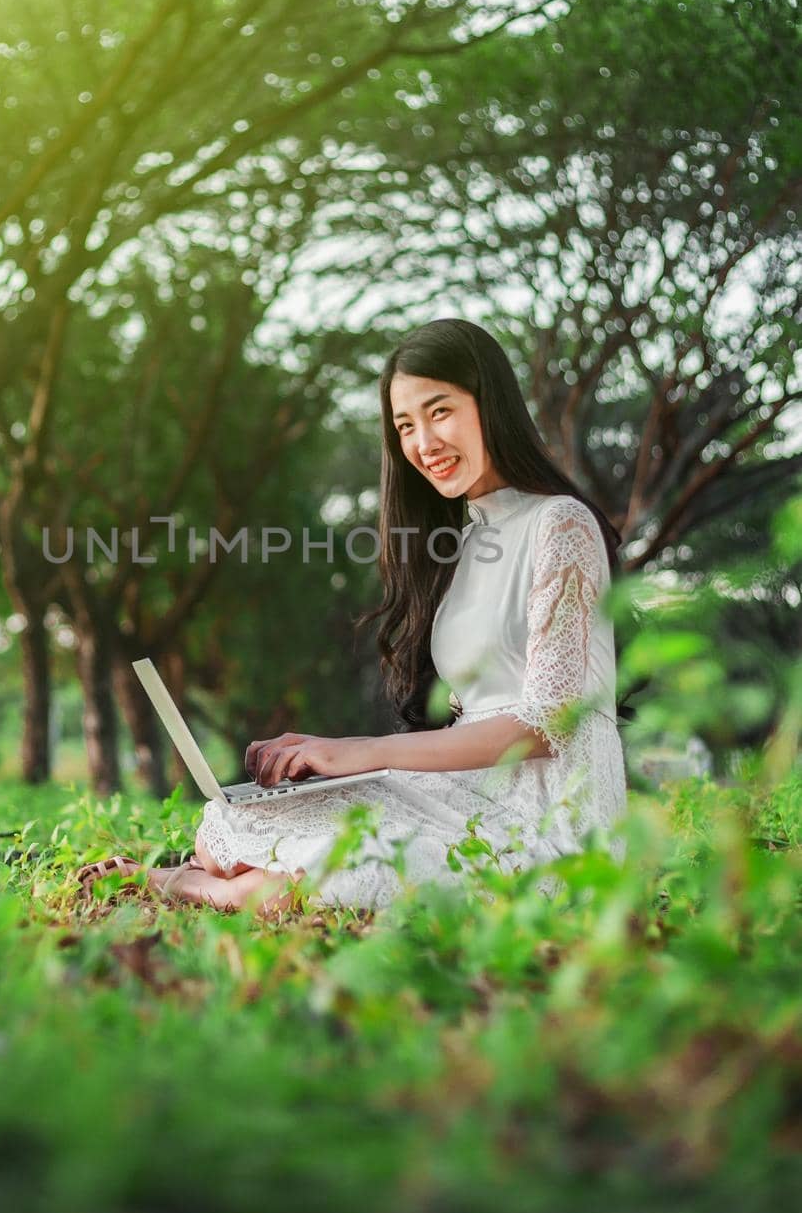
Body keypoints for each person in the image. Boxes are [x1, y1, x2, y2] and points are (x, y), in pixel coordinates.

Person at [80, 318, 629, 917]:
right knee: (233, 819)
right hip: (469, 793)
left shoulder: (561, 524)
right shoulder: (467, 543)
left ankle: (195, 887)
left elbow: (545, 727)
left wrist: (365, 753)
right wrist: (341, 765)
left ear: (490, 402)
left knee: (358, 866)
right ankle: (219, 873)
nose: (424, 443)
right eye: (405, 426)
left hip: (553, 826)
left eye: (439, 411)